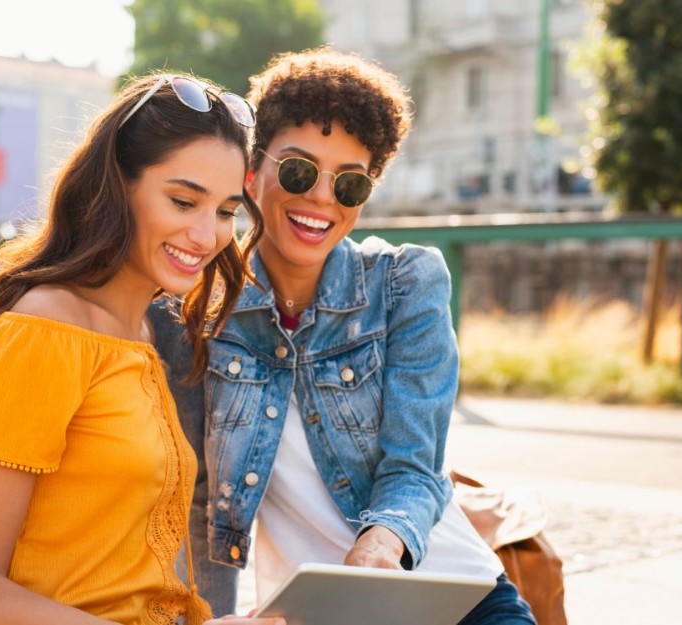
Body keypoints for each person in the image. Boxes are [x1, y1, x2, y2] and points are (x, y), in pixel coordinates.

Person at [151, 49, 537, 624]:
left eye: (350, 184)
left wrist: (381, 543)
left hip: (455, 597)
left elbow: (415, 468)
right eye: (300, 171)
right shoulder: (192, 310)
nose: (322, 198)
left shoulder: (407, 283)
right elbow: (198, 499)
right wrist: (208, 620)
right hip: (313, 614)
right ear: (252, 173)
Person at [0, 72, 283, 625]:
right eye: (183, 200)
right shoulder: (42, 331)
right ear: (118, 186)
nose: (207, 234)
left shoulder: (141, 334)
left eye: (225, 211)